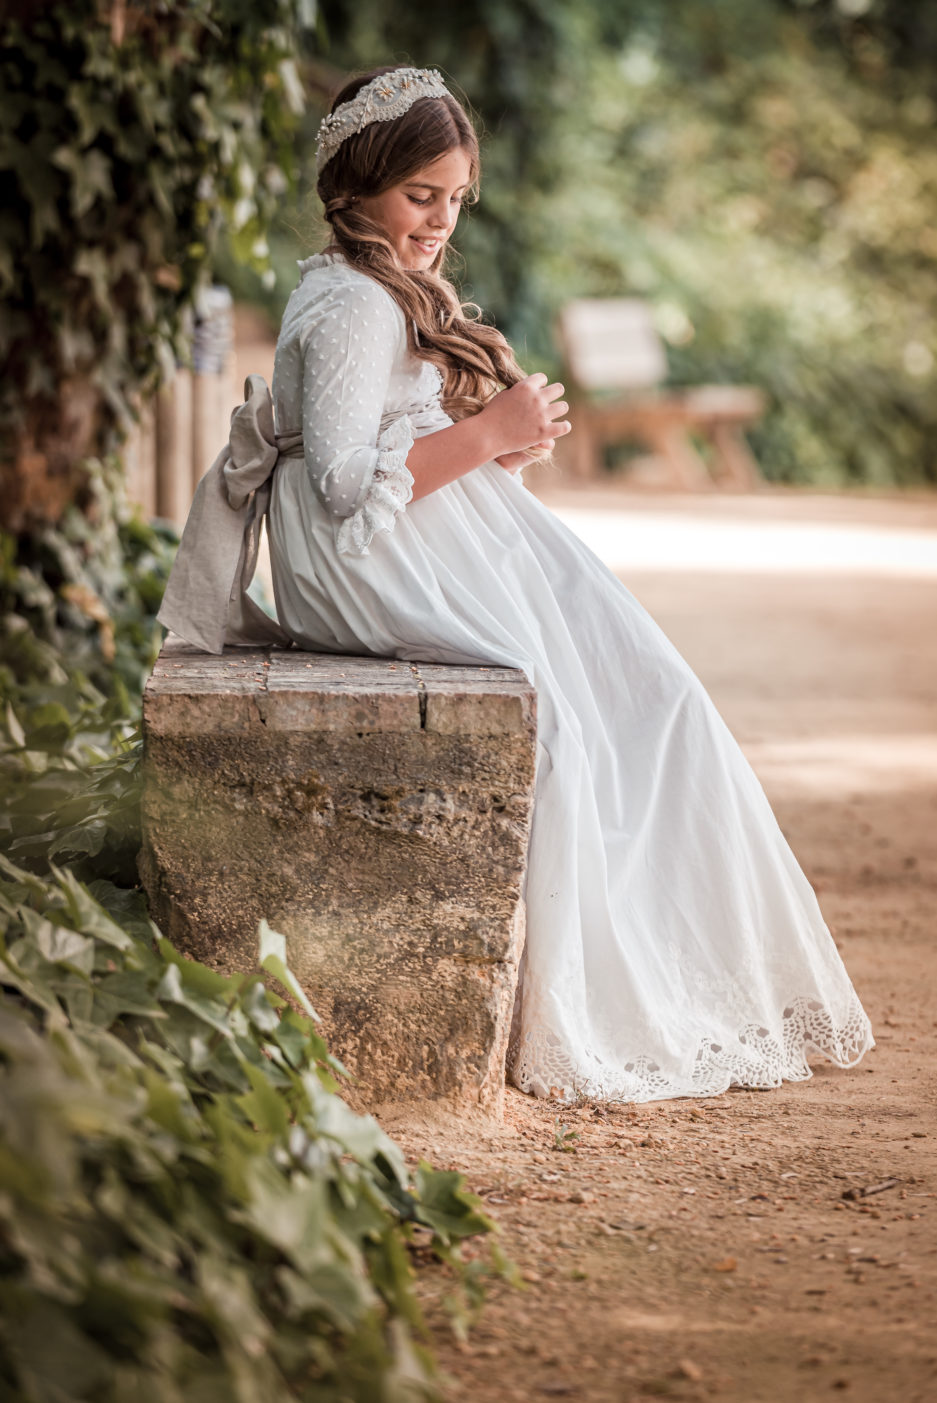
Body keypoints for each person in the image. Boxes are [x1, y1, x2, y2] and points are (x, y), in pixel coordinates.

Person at [159, 64, 874, 1103]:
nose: (441, 220)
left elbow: (377, 454)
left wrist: (497, 451)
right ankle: (614, 995)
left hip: (409, 539)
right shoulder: (356, 303)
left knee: (652, 689)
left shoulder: (354, 285)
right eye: (421, 196)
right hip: (371, 564)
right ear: (357, 184)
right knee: (603, 717)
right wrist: (487, 431)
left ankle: (691, 974)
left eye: (455, 199)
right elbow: (348, 486)